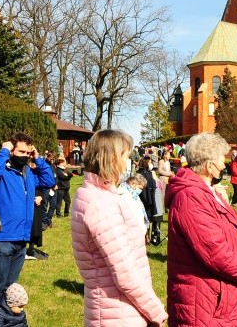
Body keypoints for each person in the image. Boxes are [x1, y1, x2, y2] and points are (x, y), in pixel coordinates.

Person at [165, 132, 237, 326]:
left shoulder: (207, 194)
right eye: (222, 159)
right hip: (206, 304)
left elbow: (233, 242)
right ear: (209, 165)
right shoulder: (191, 198)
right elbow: (216, 253)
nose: (224, 165)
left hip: (220, 300)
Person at [71, 129, 167, 327]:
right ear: (112, 158)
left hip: (115, 308)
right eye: (125, 156)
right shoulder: (100, 202)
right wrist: (156, 312)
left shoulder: (95, 194)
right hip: (118, 311)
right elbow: (125, 271)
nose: (127, 162)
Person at [0, 133, 55, 326]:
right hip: (1, 238)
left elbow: (48, 180)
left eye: (28, 152)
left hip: (21, 239)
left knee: (8, 288)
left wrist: (38, 158)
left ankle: (2, 321)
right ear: (10, 149)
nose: (25, 155)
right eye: (21, 151)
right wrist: (4, 151)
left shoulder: (27, 173)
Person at [137, 157, 160, 243]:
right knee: (144, 218)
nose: (151, 164)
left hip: (149, 198)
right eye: (150, 162)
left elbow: (153, 184)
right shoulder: (141, 174)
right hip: (144, 199)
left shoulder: (148, 173)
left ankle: (148, 236)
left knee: (148, 219)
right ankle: (145, 237)